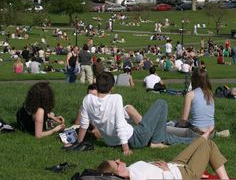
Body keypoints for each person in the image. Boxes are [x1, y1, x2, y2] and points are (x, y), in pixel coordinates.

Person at [77, 72, 192, 156]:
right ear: (112, 87)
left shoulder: (88, 99)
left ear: (96, 86)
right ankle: (157, 142)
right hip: (135, 138)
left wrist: (79, 143)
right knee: (161, 103)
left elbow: (84, 124)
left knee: (165, 136)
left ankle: (195, 140)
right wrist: (126, 149)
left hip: (111, 142)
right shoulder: (116, 98)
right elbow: (120, 125)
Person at [96, 129, 229, 180]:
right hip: (182, 175)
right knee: (208, 146)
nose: (118, 159)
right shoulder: (137, 178)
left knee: (200, 142)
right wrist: (166, 171)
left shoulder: (130, 171)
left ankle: (205, 135)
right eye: (116, 162)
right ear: (117, 172)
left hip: (175, 165)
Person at [167, 68, 215, 139]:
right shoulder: (210, 94)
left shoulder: (190, 94)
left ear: (193, 79)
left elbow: (183, 120)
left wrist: (179, 126)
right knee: (182, 121)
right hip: (211, 133)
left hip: (197, 134)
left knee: (164, 128)